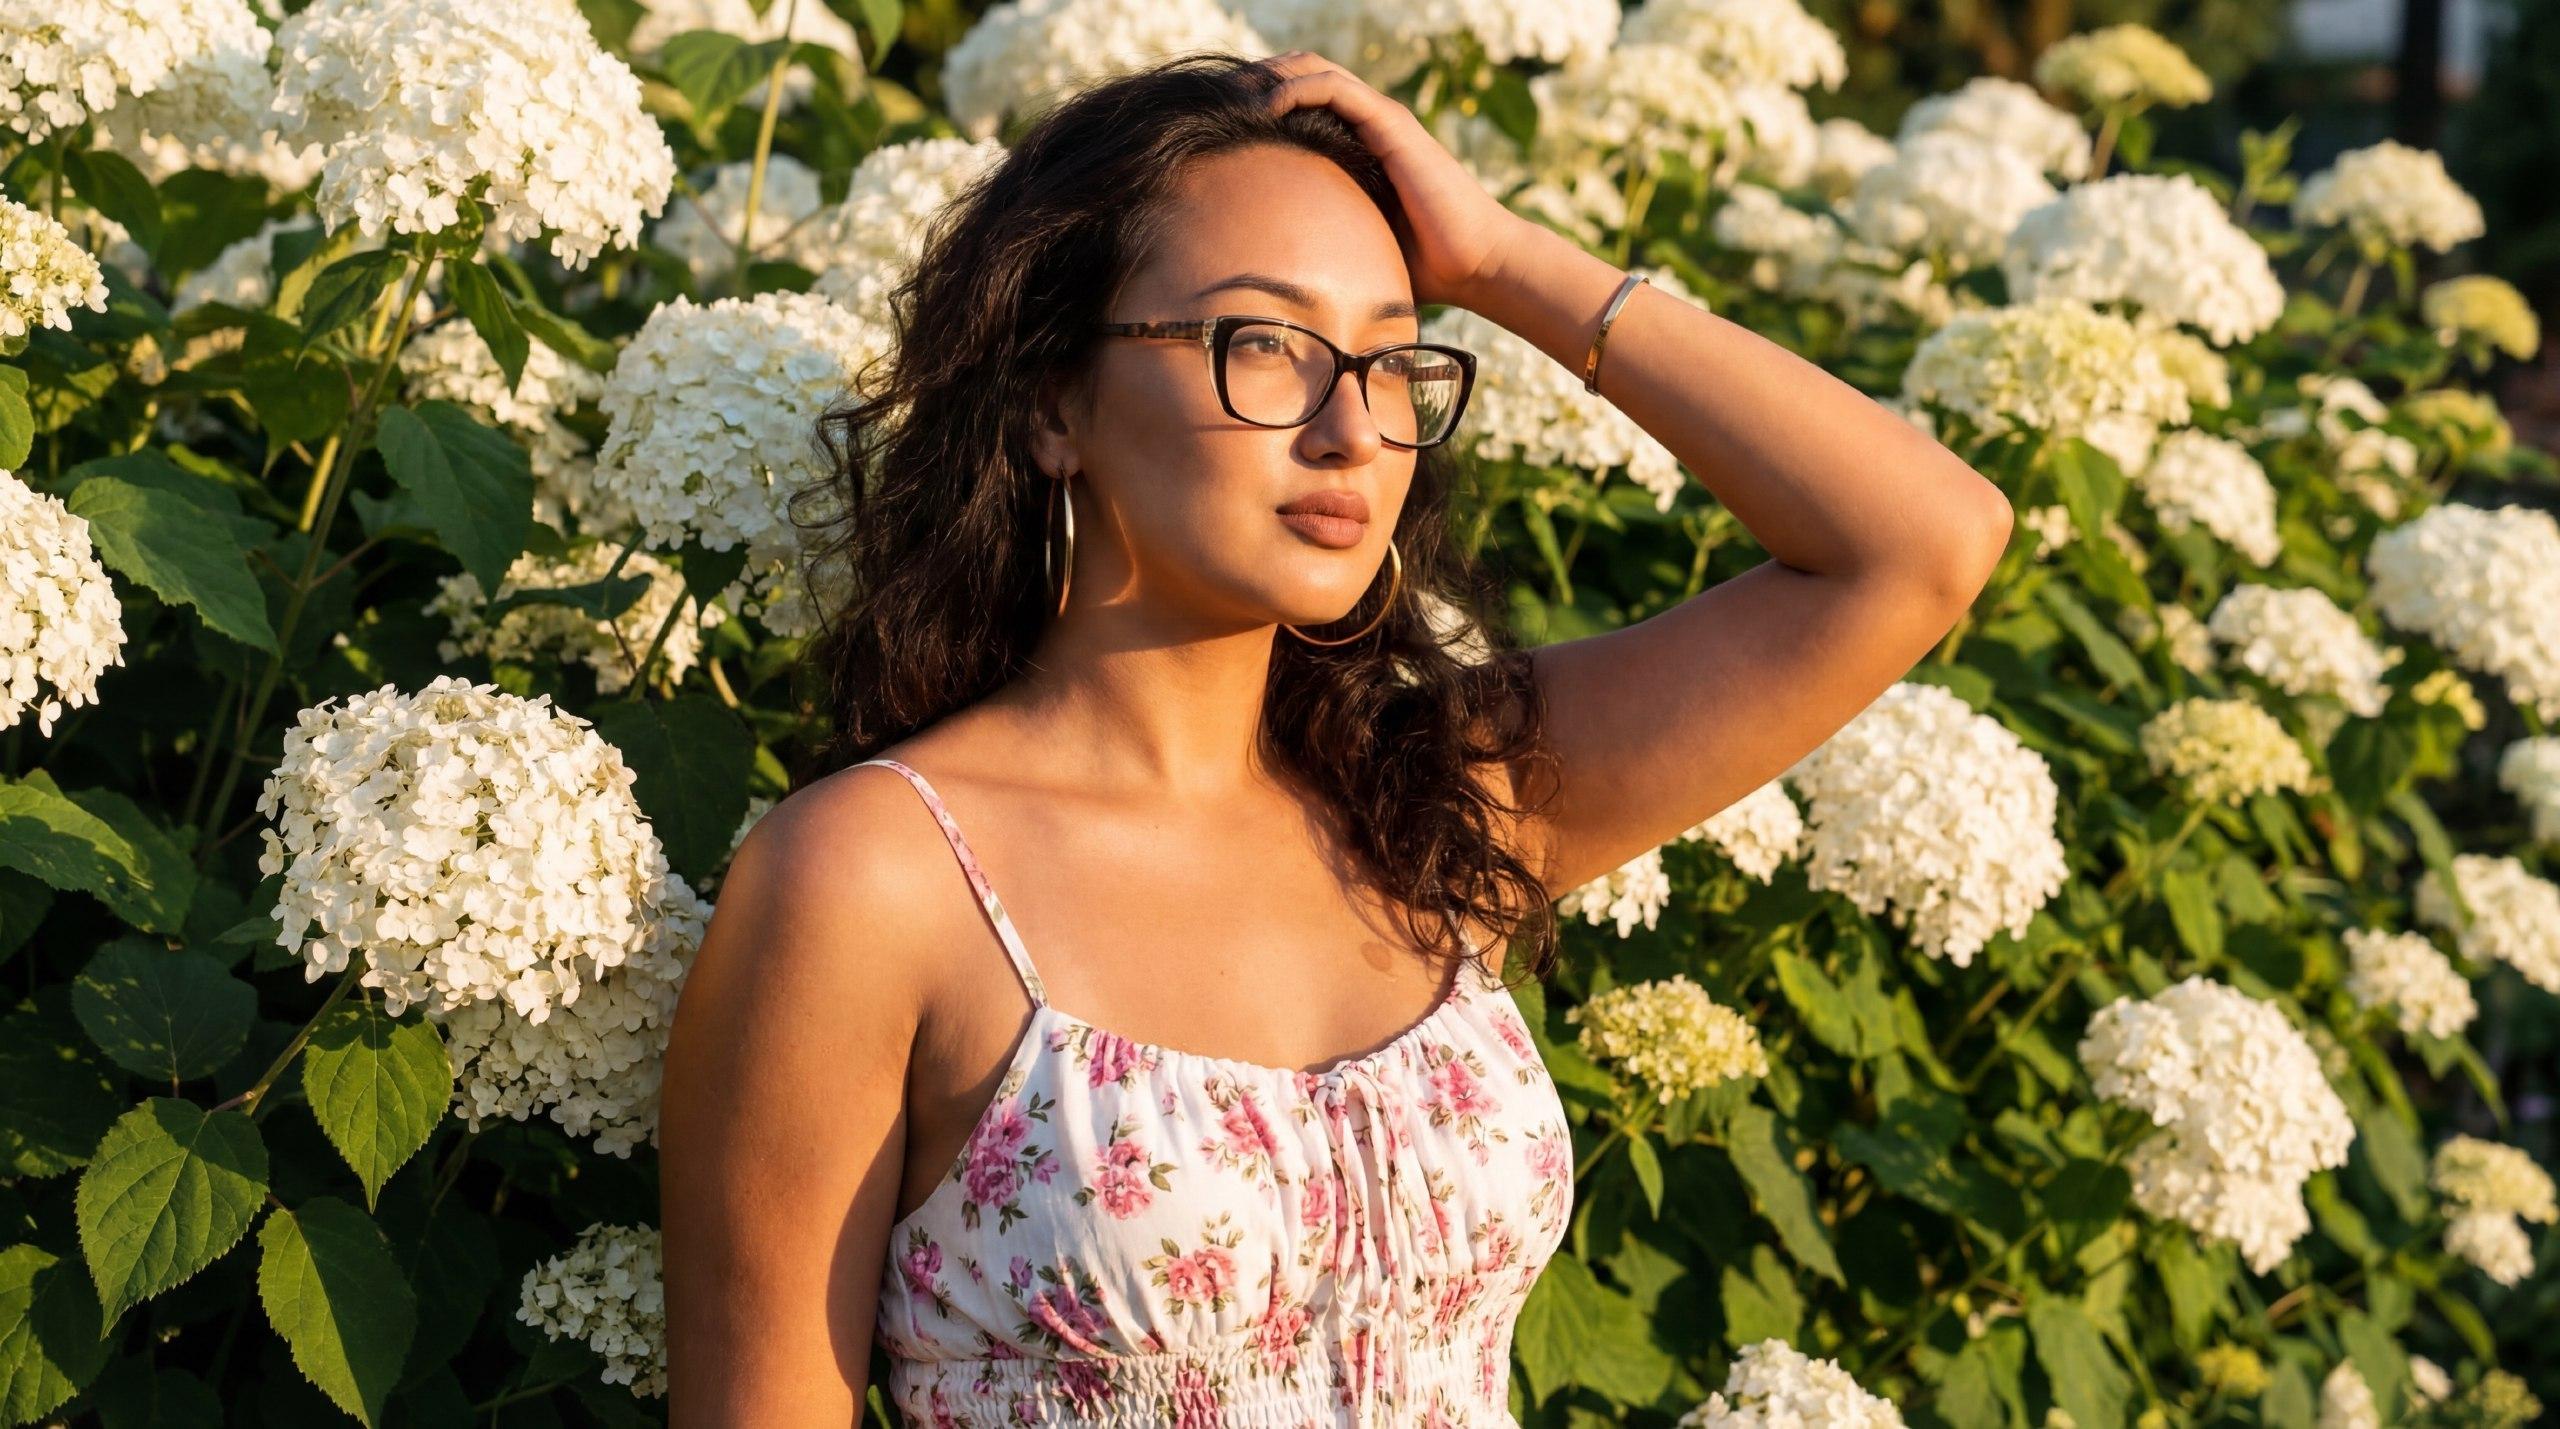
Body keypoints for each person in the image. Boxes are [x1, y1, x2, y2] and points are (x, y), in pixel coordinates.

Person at [657, 48, 2012, 1426]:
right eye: (1267, 344)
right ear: (1053, 403)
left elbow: (1922, 545)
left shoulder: (1436, 805)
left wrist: (1498, 260)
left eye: (1392, 358)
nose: (1354, 428)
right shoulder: (874, 881)